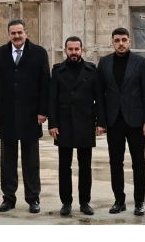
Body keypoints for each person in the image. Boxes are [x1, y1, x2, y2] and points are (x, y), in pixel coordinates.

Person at [0, 19, 50, 213]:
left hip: (31, 115)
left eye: (19, 32)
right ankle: (8, 198)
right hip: (7, 115)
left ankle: (33, 197)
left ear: (26, 32)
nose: (16, 36)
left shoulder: (39, 53)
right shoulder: (0, 54)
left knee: (31, 160)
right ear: (8, 34)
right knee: (7, 160)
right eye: (13, 33)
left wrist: (43, 111)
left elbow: (45, 84)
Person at [95, 27, 145, 216]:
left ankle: (139, 202)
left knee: (138, 162)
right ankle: (119, 200)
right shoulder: (104, 63)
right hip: (114, 121)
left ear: (130, 42)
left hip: (135, 120)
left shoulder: (140, 62)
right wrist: (101, 121)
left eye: (124, 40)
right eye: (117, 40)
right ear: (112, 42)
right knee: (115, 162)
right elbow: (100, 95)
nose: (121, 43)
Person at [48, 36, 99, 217]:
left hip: (85, 122)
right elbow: (52, 99)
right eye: (70, 49)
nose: (74, 53)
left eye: (77, 49)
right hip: (64, 123)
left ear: (82, 50)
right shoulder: (58, 71)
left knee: (85, 166)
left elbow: (99, 98)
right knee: (64, 166)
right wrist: (52, 124)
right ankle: (66, 202)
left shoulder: (91, 70)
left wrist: (100, 123)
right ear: (65, 50)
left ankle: (85, 202)